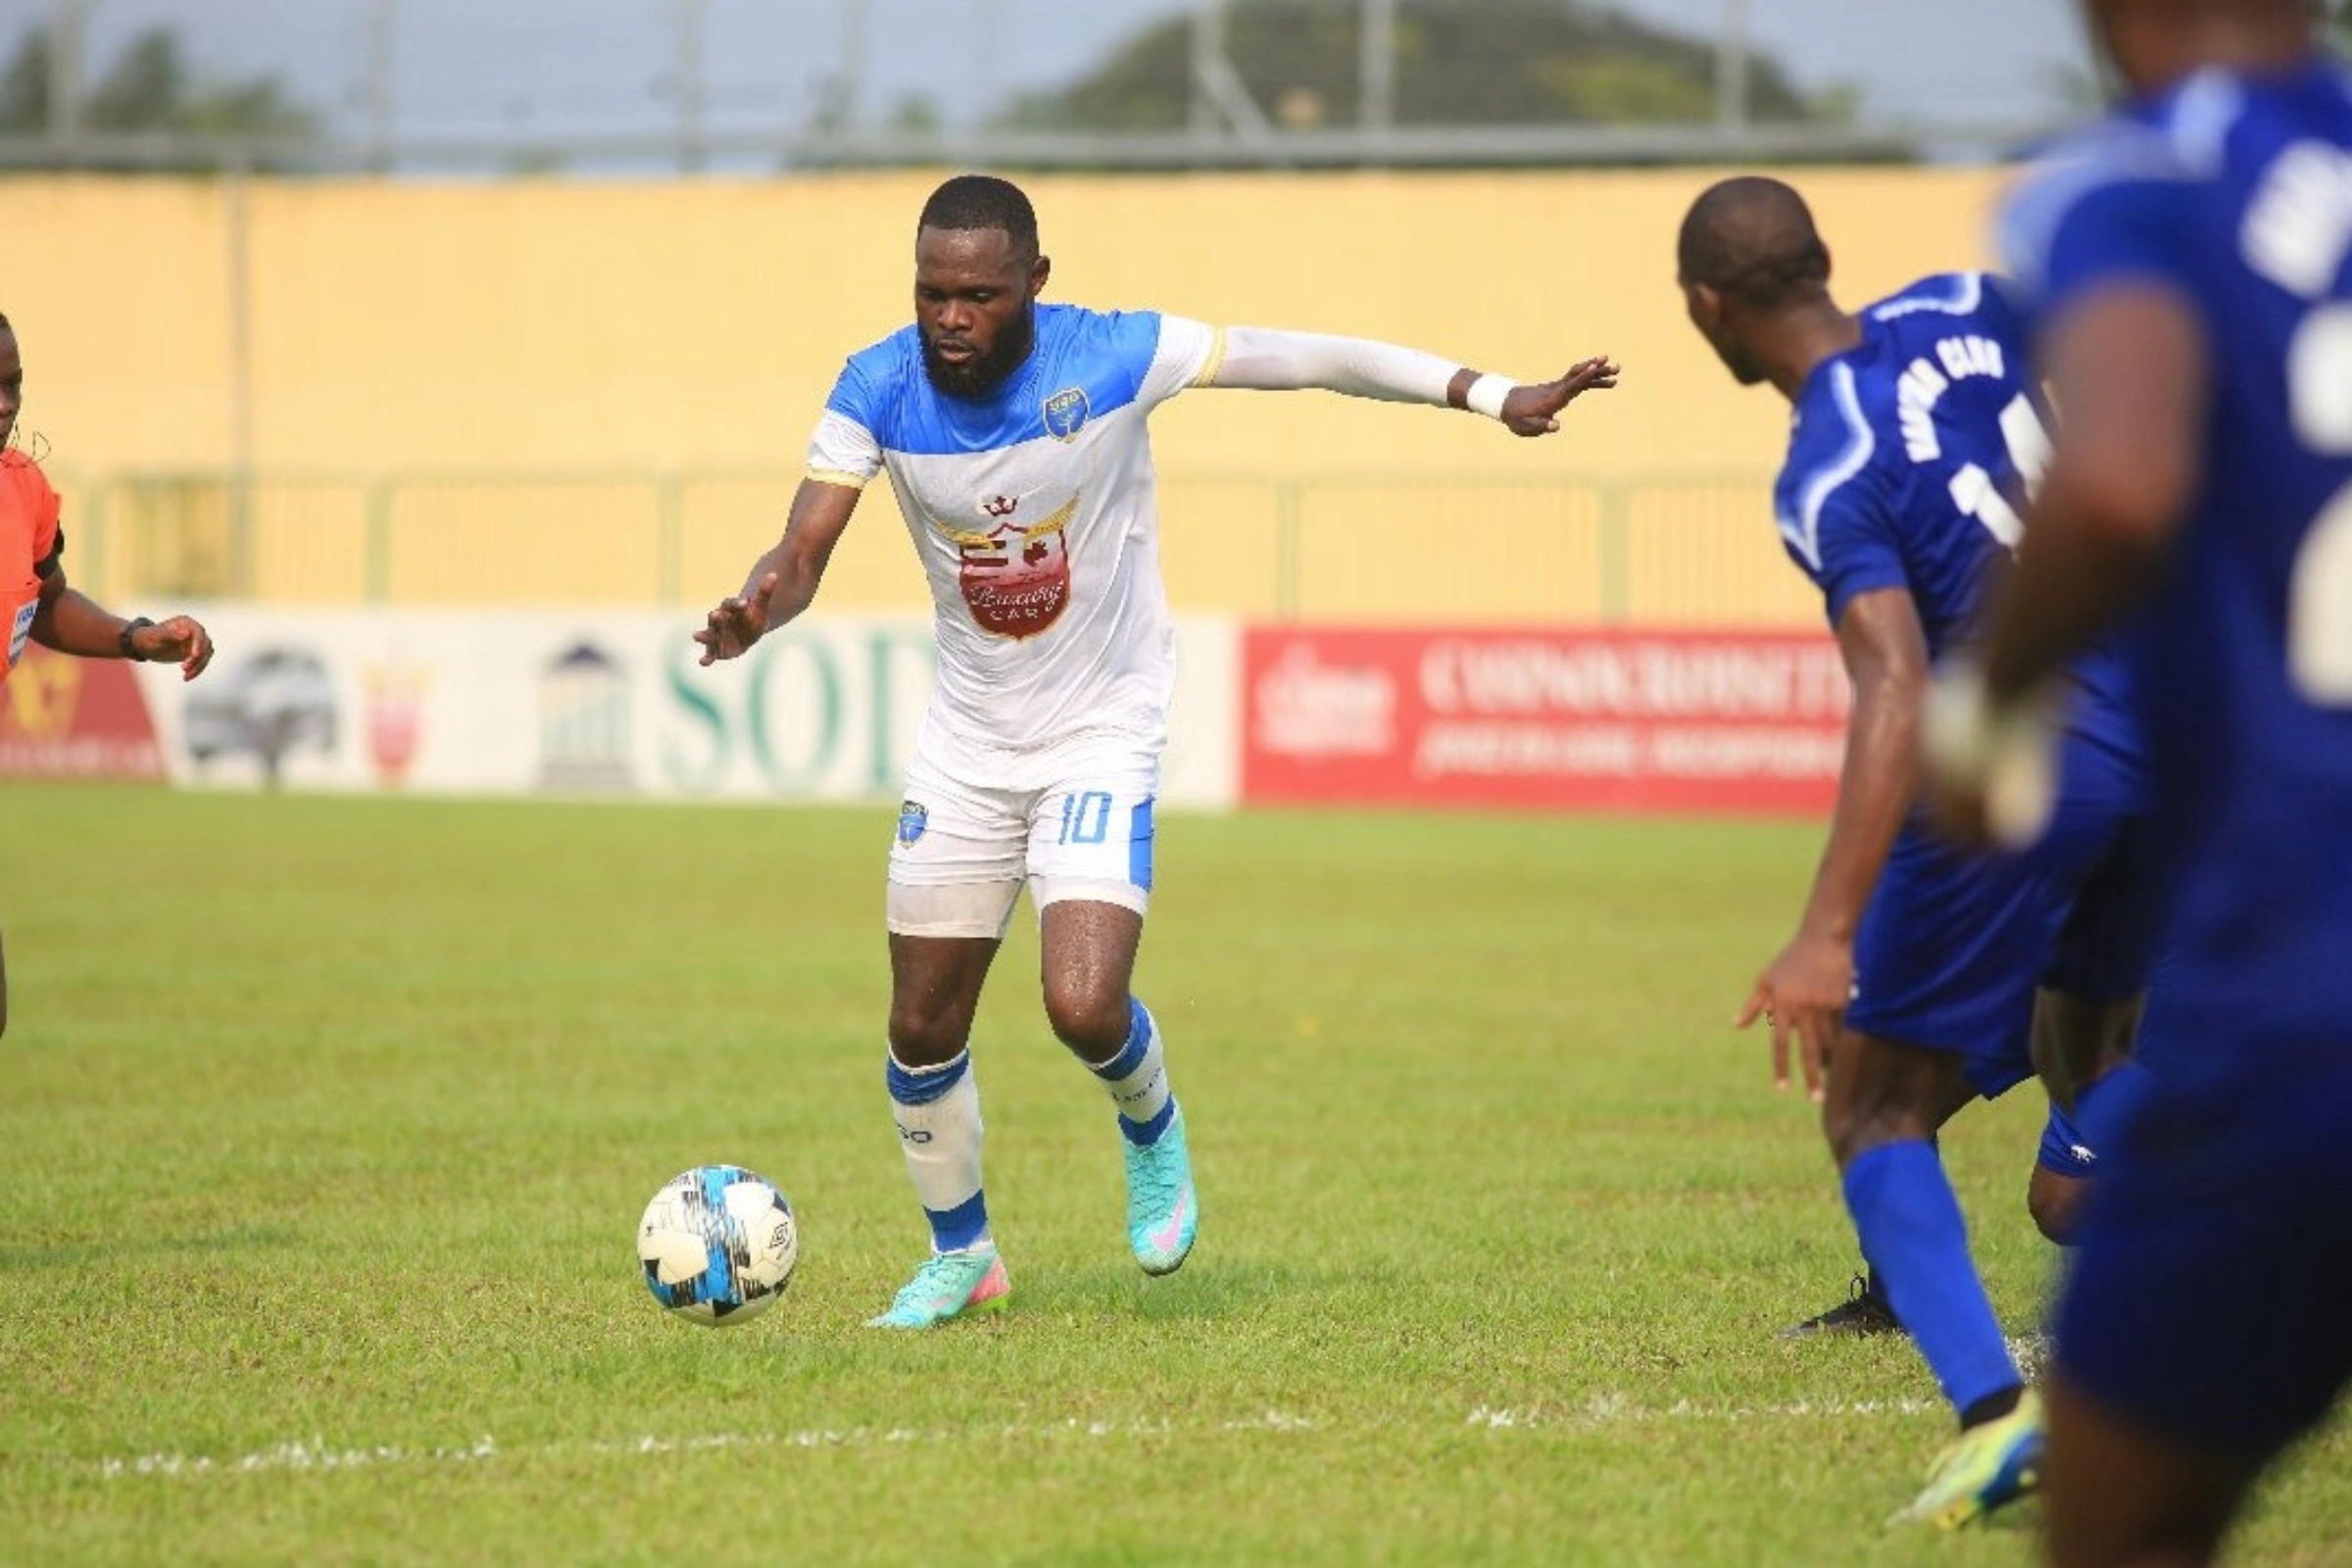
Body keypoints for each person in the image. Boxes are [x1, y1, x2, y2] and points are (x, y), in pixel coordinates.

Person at [695, 173, 1617, 1331]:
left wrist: (1489, 394)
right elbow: (801, 548)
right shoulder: (876, 385)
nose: (951, 318)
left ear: (1035, 281)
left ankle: (1151, 1125)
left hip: (1101, 726)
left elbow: (1310, 354)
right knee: (921, 1027)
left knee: (1082, 1004)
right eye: (932, 293)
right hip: (968, 744)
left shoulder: (1121, 356)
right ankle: (964, 1254)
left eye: (978, 294)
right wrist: (755, 607)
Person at [1926, 2, 2352, 1562]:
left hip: (2301, 973)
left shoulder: (2132, 190)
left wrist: (1986, 711)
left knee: (2120, 1521)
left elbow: (2115, 479)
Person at [1675, 177, 2159, 1526]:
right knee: (2093, 1066)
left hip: (2035, 753)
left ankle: (1997, 1418)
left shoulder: (1824, 463)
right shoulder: (1966, 306)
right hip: (2172, 719)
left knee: (1872, 1106)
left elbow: (1896, 682)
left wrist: (1825, 929)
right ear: (1824, 261)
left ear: (1707, 311)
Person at [0, 308, 216, 1038]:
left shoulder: (22, 486)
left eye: (14, 385)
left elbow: (48, 599)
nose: (5, 405)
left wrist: (134, 637)